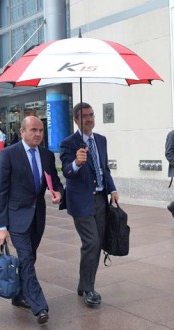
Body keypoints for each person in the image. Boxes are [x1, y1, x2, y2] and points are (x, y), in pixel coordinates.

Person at [0, 116, 63, 325]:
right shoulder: (8, 155)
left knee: (29, 258)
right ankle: (39, 306)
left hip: (37, 217)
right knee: (25, 258)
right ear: (22, 132)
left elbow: (55, 181)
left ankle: (18, 295)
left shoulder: (47, 155)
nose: (38, 134)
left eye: (41, 130)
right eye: (33, 130)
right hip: (16, 218)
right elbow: (0, 192)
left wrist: (58, 193)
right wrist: (1, 226)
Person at [60, 102, 119, 306]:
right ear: (76, 120)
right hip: (81, 202)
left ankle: (83, 283)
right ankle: (89, 289)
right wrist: (76, 163)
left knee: (97, 244)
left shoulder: (101, 140)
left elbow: (105, 168)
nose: (90, 119)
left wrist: (112, 189)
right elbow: (66, 172)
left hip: (101, 200)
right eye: (84, 116)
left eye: (92, 115)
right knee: (91, 243)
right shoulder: (69, 143)